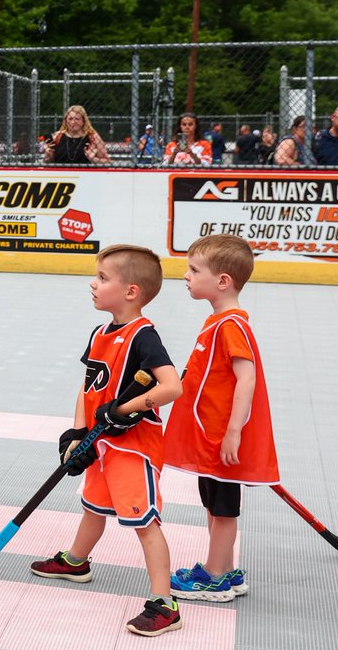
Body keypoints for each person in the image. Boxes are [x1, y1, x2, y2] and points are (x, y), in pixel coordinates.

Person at [29, 245, 183, 637]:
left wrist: (126, 408)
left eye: (102, 278)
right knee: (93, 507)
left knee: (144, 523)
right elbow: (88, 388)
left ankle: (164, 603)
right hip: (101, 443)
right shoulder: (100, 333)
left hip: (133, 447)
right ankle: (76, 561)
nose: (93, 284)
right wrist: (77, 433)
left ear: (131, 291)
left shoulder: (144, 336)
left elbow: (171, 386)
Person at [164, 234, 279, 602]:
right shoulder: (216, 322)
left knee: (224, 508)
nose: (186, 275)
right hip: (209, 438)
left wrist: (233, 432)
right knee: (213, 503)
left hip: (221, 439)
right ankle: (225, 569)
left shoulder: (231, 326)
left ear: (223, 281)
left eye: (194, 270)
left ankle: (215, 579)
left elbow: (247, 378)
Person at [44, 105, 109, 165]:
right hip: (61, 173)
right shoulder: (57, 136)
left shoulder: (93, 137)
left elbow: (107, 162)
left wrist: (93, 159)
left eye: (77, 119)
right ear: (66, 121)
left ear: (83, 121)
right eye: (70, 119)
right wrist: (48, 154)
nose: (73, 122)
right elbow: (47, 161)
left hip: (85, 173)